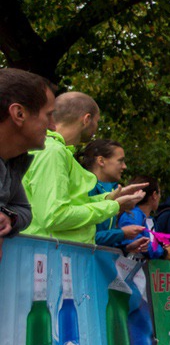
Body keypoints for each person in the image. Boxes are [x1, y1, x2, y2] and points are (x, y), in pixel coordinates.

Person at [21, 91, 146, 243]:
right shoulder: (53, 152)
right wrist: (113, 206)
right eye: (97, 121)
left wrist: (109, 198)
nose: (97, 128)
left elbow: (72, 204)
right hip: (48, 253)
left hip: (53, 251)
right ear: (86, 119)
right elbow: (54, 216)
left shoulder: (58, 151)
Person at [0, 68, 54, 263]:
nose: (53, 126)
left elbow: (23, 209)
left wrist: (7, 217)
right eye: (49, 115)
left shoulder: (12, 161)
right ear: (19, 113)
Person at [78, 139, 149, 252]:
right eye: (120, 161)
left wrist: (126, 248)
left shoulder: (111, 189)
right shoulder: (85, 188)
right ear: (101, 161)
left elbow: (102, 239)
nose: (124, 166)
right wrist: (122, 233)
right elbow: (86, 238)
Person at [118, 176, 170, 260]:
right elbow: (133, 240)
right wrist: (163, 252)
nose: (160, 197)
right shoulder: (132, 215)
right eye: (159, 193)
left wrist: (169, 251)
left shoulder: (150, 220)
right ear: (154, 195)